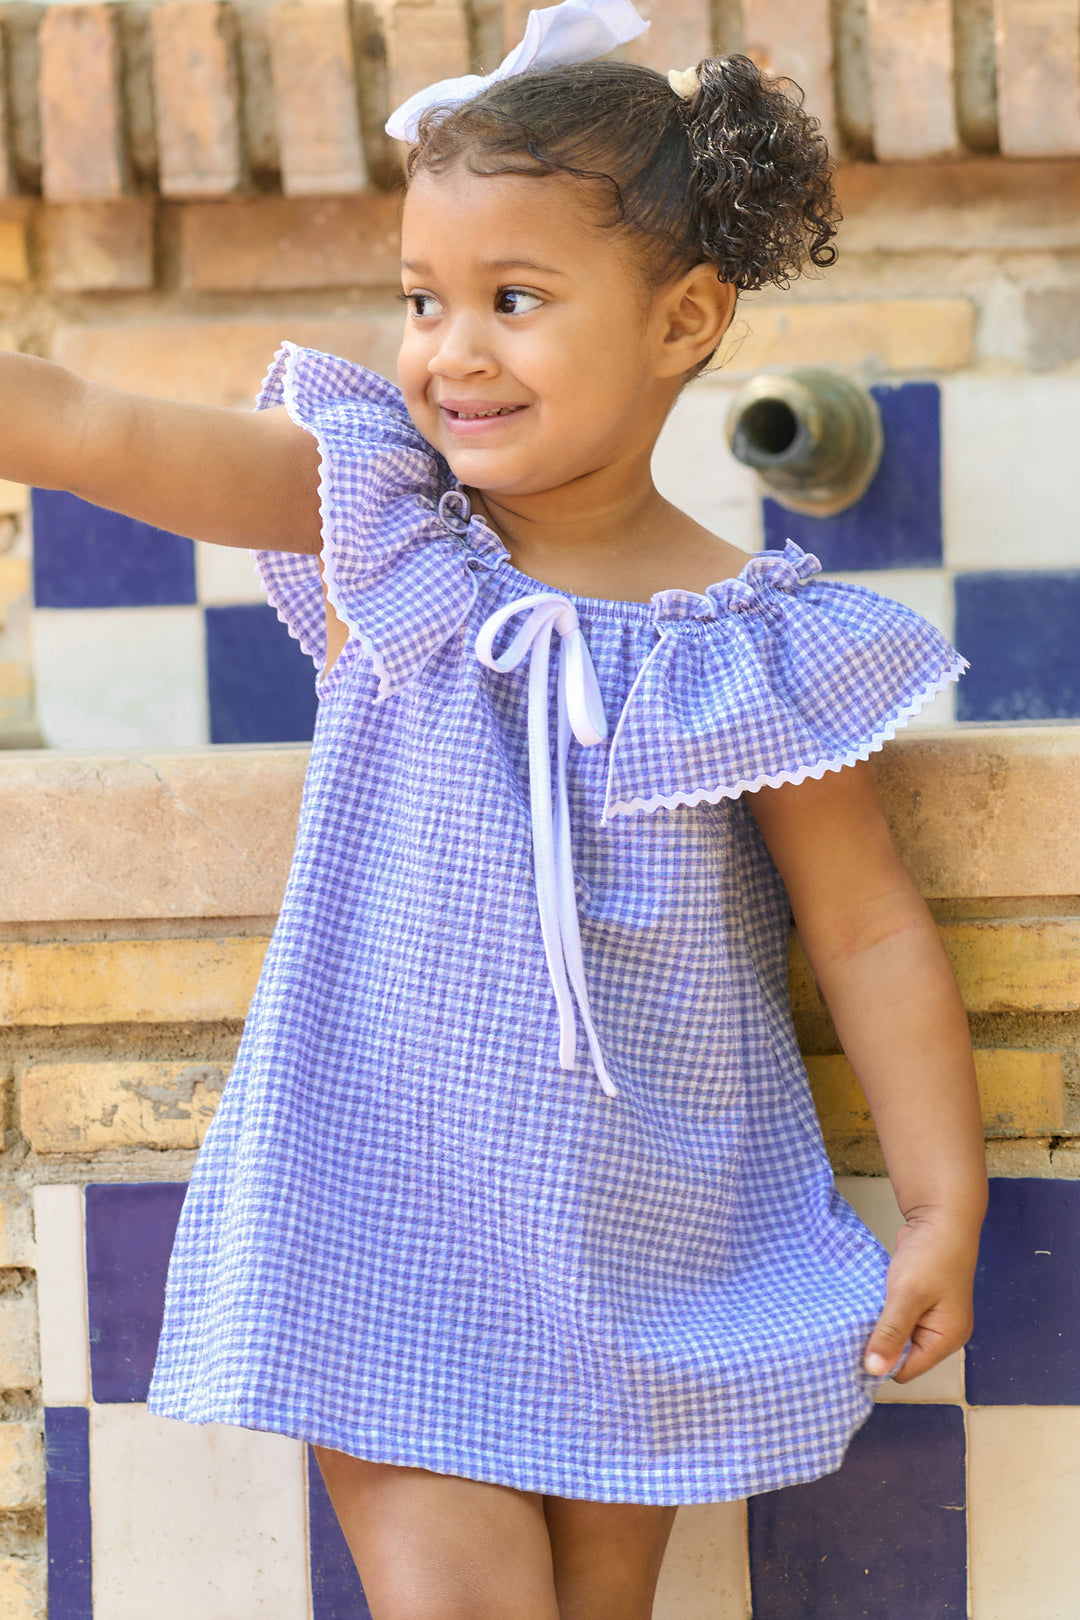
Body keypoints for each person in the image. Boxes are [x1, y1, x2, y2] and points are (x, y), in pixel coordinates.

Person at [3, 2, 987, 1613]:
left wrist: (949, 1203)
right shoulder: (389, 528)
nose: (450, 349)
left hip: (639, 1248)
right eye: (423, 298)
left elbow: (868, 929)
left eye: (513, 300)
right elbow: (108, 433)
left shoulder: (755, 648)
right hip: (388, 1205)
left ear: (685, 320)